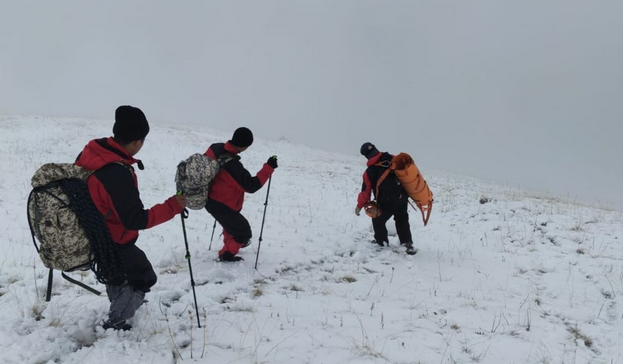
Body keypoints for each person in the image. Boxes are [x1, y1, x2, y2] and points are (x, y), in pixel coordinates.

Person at [75, 105, 187, 330]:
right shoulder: (115, 172)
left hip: (95, 230)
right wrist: (173, 205)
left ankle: (120, 303)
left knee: (117, 274)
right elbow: (135, 219)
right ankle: (118, 318)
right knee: (144, 278)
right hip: (114, 238)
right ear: (137, 141)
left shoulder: (93, 152)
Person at [204, 127, 277, 262]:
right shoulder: (232, 165)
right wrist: (269, 167)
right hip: (221, 204)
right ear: (245, 146)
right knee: (243, 233)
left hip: (209, 198)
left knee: (231, 225)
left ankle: (229, 244)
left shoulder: (215, 148)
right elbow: (251, 186)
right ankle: (226, 254)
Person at [355, 142, 415, 254]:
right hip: (402, 197)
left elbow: (365, 191)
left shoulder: (370, 172)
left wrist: (359, 206)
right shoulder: (393, 159)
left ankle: (381, 242)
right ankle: (407, 244)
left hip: (387, 202)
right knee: (402, 219)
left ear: (366, 156)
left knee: (378, 220)